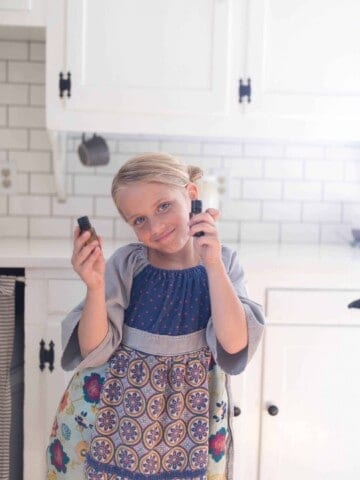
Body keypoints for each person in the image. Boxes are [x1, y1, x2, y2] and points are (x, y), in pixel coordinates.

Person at [46, 152, 265, 480]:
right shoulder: (128, 264)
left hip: (192, 421)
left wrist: (213, 264)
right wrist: (94, 286)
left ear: (191, 195)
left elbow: (234, 345)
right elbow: (93, 350)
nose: (156, 226)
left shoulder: (222, 262)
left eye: (163, 206)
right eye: (139, 220)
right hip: (110, 413)